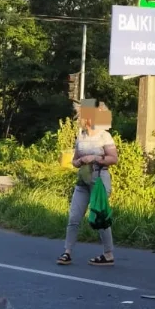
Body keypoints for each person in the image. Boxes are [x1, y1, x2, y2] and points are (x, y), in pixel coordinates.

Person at [58, 100, 119, 267]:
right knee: (74, 217)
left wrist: (95, 158)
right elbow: (75, 159)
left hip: (99, 180)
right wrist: (77, 162)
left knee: (100, 217)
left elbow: (114, 158)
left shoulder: (104, 136)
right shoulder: (82, 136)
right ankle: (67, 252)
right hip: (82, 181)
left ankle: (108, 254)